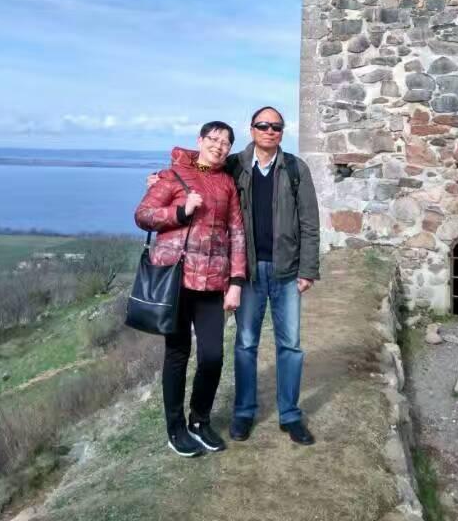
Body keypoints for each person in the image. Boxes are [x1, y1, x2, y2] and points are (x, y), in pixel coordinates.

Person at [135, 121, 246, 458]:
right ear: (200, 141)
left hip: (212, 283)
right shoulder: (172, 176)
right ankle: (175, 428)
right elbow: (143, 215)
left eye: (226, 142)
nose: (219, 146)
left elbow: (237, 233)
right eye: (213, 139)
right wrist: (180, 212)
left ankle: (199, 420)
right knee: (177, 355)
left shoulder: (227, 183)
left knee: (212, 356)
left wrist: (236, 282)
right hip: (176, 281)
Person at [225, 106, 320, 445]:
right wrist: (164, 178)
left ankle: (290, 415)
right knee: (245, 344)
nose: (270, 131)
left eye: (276, 127)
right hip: (247, 272)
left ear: (282, 132)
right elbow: (200, 168)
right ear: (251, 129)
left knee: (290, 345)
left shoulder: (295, 168)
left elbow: (310, 223)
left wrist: (308, 270)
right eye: (263, 125)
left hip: (287, 272)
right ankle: (244, 412)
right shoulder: (234, 165)